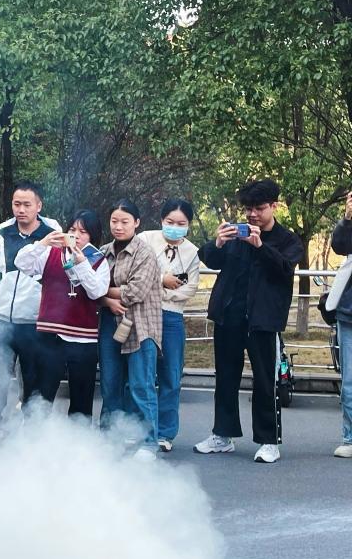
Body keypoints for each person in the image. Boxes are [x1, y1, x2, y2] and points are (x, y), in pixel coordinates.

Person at [194, 179, 303, 463]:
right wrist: (218, 242)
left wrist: (260, 246)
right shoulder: (235, 235)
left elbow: (284, 270)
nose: (252, 214)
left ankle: (269, 441)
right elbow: (210, 259)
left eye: (259, 208)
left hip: (263, 320)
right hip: (229, 317)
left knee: (266, 381)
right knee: (225, 378)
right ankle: (222, 435)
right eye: (248, 209)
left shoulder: (288, 240)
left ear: (274, 206)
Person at [0, 182, 58, 428]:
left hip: (34, 319)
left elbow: (56, 276)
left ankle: (30, 426)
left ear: (38, 206)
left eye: (27, 205)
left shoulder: (51, 233)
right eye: (16, 204)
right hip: (1, 316)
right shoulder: (2, 232)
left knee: (33, 375)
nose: (21, 210)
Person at [14, 210, 109, 420]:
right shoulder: (51, 252)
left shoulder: (98, 259)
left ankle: (78, 438)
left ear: (93, 235)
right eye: (72, 229)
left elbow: (97, 292)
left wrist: (82, 264)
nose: (76, 235)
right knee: (40, 394)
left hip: (83, 337)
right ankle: (32, 435)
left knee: (81, 399)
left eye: (83, 232)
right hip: (50, 333)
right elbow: (21, 263)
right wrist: (43, 243)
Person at [97, 200, 162, 460]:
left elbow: (135, 292)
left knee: (141, 385)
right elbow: (87, 287)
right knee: (110, 384)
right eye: (114, 221)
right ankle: (109, 437)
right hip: (109, 325)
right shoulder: (102, 251)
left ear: (137, 223)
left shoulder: (145, 253)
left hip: (141, 326)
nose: (119, 226)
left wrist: (102, 290)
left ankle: (149, 442)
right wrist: (104, 296)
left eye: (125, 222)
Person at [137, 199, 201, 451]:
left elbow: (190, 288)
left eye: (181, 223)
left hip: (173, 316)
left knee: (171, 376)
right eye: (170, 222)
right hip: (144, 313)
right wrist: (162, 281)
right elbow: (136, 273)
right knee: (141, 375)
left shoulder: (192, 252)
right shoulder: (145, 239)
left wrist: (161, 293)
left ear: (189, 225)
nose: (175, 227)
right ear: (161, 220)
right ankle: (141, 429)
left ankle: (165, 433)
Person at [327, 192, 352, 458]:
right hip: (349, 314)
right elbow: (340, 246)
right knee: (350, 383)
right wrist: (347, 219)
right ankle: (350, 438)